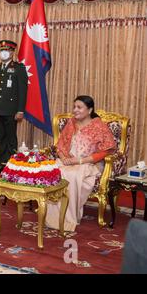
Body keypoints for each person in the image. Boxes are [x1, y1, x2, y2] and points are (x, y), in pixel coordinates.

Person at [45, 95, 116, 232]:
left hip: (88, 163)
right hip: (68, 160)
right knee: (53, 170)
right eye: (74, 107)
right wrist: (64, 157)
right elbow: (60, 145)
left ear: (89, 110)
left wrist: (79, 161)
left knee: (71, 175)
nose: (75, 110)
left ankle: (67, 217)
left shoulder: (98, 126)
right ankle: (51, 216)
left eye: (79, 107)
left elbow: (105, 152)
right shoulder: (71, 123)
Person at [0, 40, 28, 174]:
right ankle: (2, 164)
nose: (3, 52)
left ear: (12, 52)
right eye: (2, 50)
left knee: (11, 139)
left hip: (11, 110)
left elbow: (23, 91)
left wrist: (20, 110)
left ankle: (12, 166)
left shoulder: (19, 68)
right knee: (1, 138)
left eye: (7, 50)